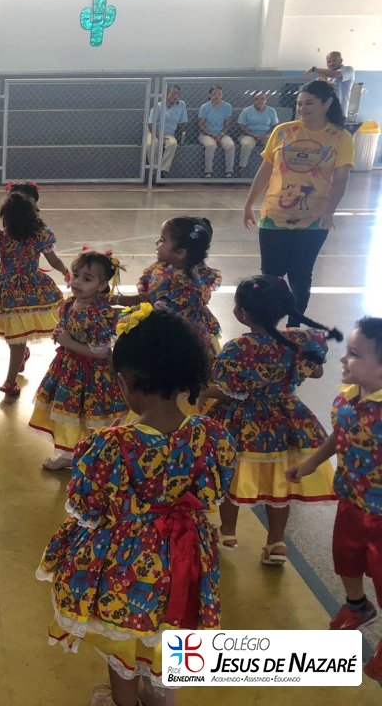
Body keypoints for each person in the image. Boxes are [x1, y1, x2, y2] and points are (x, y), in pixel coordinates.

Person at [38, 305, 235, 706]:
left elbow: (86, 507)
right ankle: (160, 695)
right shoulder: (213, 436)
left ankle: (124, 700)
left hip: (125, 562)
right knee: (172, 625)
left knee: (122, 636)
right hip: (185, 555)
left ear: (125, 382)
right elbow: (213, 493)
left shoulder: (109, 445)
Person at [203, 275, 341, 565]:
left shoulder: (238, 348)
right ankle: (276, 542)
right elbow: (316, 372)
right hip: (285, 422)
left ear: (242, 313)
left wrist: (202, 392)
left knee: (231, 476)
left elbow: (232, 391)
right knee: (280, 481)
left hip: (243, 423)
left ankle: (227, 533)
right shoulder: (297, 340)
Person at [286, 316, 382, 681]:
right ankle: (357, 605)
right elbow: (340, 435)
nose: (343, 359)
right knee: (345, 559)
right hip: (351, 502)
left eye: (354, 354)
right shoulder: (348, 397)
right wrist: (312, 462)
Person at [242, 80, 354, 326]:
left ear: (327, 104)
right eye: (300, 104)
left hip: (313, 220)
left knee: (300, 276)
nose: (302, 109)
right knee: (270, 277)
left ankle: (294, 326)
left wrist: (329, 212)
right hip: (274, 217)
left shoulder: (340, 137)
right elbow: (266, 169)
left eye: (309, 103)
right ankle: (267, 327)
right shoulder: (283, 131)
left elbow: (341, 180)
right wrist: (249, 203)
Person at [0, 182, 67, 396]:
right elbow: (54, 260)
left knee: (16, 336)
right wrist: (66, 272)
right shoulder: (37, 235)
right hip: (25, 289)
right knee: (16, 333)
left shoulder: (1, 237)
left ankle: (10, 381)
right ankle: (21, 355)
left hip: (14, 291)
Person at [30, 250, 127, 471]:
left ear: (102, 286)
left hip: (92, 376)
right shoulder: (70, 304)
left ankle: (97, 455)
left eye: (87, 278)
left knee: (92, 416)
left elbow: (102, 352)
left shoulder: (100, 313)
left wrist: (68, 342)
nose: (77, 282)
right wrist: (60, 333)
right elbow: (66, 327)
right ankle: (69, 453)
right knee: (70, 415)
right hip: (68, 371)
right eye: (76, 275)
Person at [118, 216, 222, 364]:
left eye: (162, 240)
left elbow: (155, 315)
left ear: (180, 253)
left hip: (174, 344)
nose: (156, 242)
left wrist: (114, 313)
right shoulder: (166, 267)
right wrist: (114, 299)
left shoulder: (184, 289)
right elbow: (147, 299)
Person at [146, 84, 187, 182]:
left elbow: (183, 122)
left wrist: (183, 135)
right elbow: (151, 124)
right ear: (166, 94)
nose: (175, 96)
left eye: (177, 94)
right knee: (152, 144)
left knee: (172, 143)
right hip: (154, 131)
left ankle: (161, 171)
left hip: (169, 133)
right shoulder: (158, 106)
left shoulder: (181, 105)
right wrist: (160, 137)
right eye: (173, 93)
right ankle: (154, 172)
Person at [197, 85, 236, 178]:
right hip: (206, 134)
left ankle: (229, 172)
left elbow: (228, 123)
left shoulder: (227, 106)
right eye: (214, 94)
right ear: (210, 95)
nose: (217, 96)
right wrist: (211, 134)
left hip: (222, 134)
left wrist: (222, 133)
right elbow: (201, 125)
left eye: (219, 94)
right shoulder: (204, 107)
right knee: (210, 145)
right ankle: (208, 172)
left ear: (222, 95)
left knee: (230, 145)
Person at [304, 51, 355, 118]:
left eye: (334, 60)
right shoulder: (326, 76)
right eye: (329, 61)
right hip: (326, 112)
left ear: (341, 61)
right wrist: (324, 83)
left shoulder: (348, 69)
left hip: (339, 112)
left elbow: (336, 74)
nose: (331, 63)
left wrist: (314, 69)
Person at [236, 93, 280, 171]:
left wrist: (267, 135)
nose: (260, 101)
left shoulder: (271, 111)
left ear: (266, 100)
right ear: (253, 101)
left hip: (265, 135)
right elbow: (241, 126)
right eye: (257, 99)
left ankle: (273, 168)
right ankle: (242, 168)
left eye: (262, 99)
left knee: (273, 144)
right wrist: (253, 134)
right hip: (249, 135)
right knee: (246, 144)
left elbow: (275, 126)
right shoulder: (246, 111)